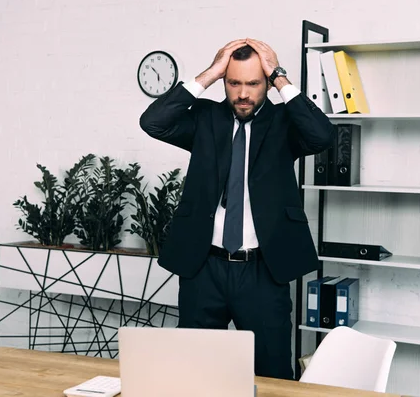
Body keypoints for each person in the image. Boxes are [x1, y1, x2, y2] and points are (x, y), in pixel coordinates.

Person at [139, 38, 335, 380]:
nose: (243, 93)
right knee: (194, 373)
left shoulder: (284, 122)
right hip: (204, 268)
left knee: (272, 372)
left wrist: (279, 76)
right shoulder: (205, 118)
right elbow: (153, 122)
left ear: (266, 83)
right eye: (234, 83)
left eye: (253, 83)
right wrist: (210, 74)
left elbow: (322, 137)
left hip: (262, 270)